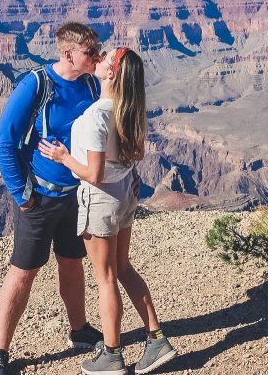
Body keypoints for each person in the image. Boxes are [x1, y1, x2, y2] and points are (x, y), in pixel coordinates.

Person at [39, 47, 177, 375]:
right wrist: (130, 176)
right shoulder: (129, 109)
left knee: (106, 278)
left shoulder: (95, 115)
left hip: (101, 199)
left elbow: (93, 173)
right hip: (125, 194)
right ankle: (156, 339)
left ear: (110, 73)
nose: (98, 58)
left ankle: (112, 354)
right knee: (124, 269)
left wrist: (62, 158)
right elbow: (136, 153)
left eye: (104, 58)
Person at [0, 22, 106, 375]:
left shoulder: (92, 84)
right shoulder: (36, 86)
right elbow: (3, 143)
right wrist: (23, 197)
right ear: (68, 53)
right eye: (90, 53)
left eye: (98, 52)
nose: (96, 57)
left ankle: (79, 329)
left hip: (77, 195)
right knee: (23, 272)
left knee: (72, 261)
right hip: (39, 196)